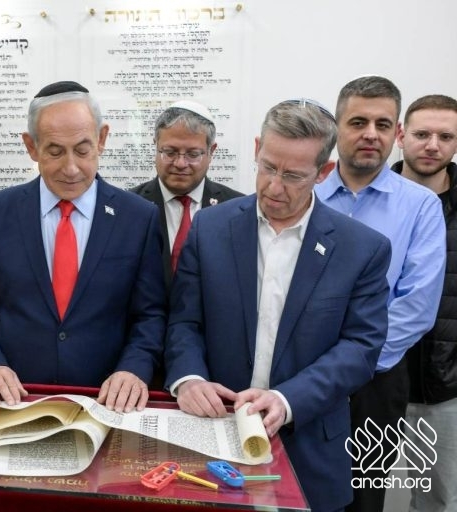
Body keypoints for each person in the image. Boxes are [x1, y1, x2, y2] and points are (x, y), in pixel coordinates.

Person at [164, 99, 392, 512]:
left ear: (323, 172)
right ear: (257, 148)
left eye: (292, 176)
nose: (273, 186)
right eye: (268, 167)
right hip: (212, 436)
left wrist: (288, 400)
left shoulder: (362, 248)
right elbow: (184, 321)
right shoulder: (210, 228)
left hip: (308, 446)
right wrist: (189, 378)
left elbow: (360, 348)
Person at [0, 80, 166, 413]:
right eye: (54, 151)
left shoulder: (138, 217)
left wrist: (134, 368)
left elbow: (150, 314)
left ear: (102, 139)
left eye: (82, 150)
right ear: (31, 146)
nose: (71, 168)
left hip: (106, 402)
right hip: (17, 400)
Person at [314, 76, 446, 512]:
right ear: (336, 127)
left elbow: (417, 306)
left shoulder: (420, 206)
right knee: (297, 490)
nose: (371, 134)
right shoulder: (307, 196)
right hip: (302, 373)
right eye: (358, 122)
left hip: (376, 379)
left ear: (396, 133)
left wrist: (353, 363)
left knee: (363, 498)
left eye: (383, 124)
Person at [395, 94, 457, 512]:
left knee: (439, 501)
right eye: (422, 134)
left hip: (446, 387)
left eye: (445, 136)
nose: (432, 145)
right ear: (401, 136)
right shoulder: (369, 198)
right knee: (356, 493)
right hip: (371, 379)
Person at [132, 100, 243, 290]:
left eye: (193, 154)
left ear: (211, 151)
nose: (180, 163)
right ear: (156, 146)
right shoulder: (130, 208)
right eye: (170, 152)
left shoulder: (237, 209)